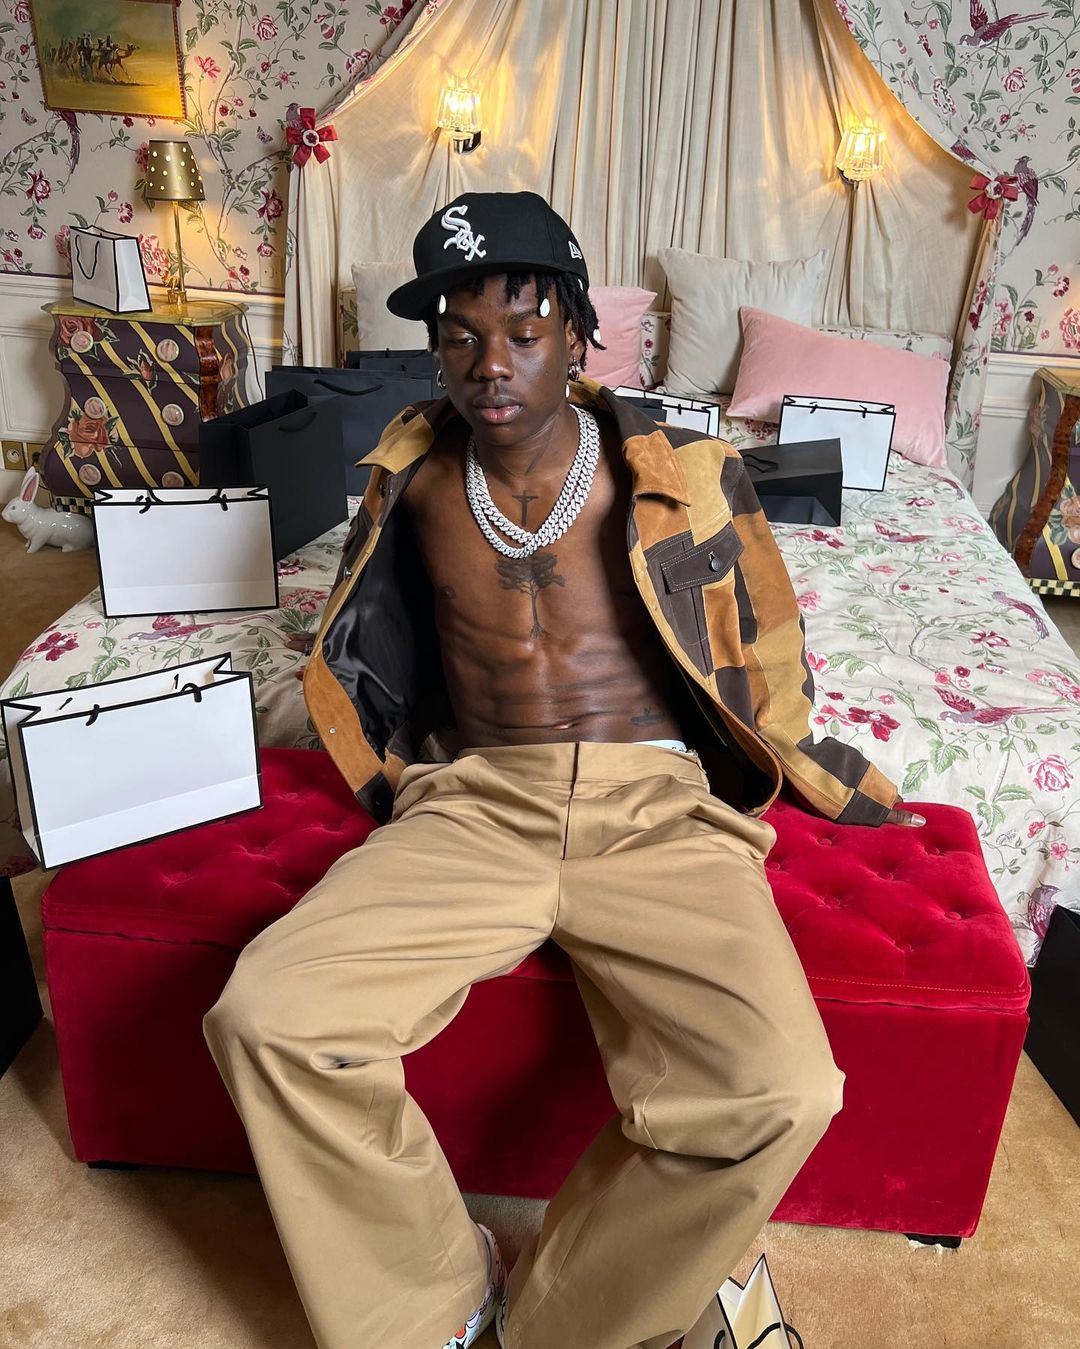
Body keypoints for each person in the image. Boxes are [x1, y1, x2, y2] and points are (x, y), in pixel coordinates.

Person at [205, 191, 924, 1349]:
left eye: (523, 332)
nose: (490, 363)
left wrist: (819, 767)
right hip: (475, 803)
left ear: (580, 336)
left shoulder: (683, 471)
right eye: (458, 335)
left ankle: (565, 1320)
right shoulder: (411, 483)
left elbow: (768, 648)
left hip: (656, 808)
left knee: (784, 1088)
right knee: (268, 1016)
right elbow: (362, 646)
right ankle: (436, 1302)